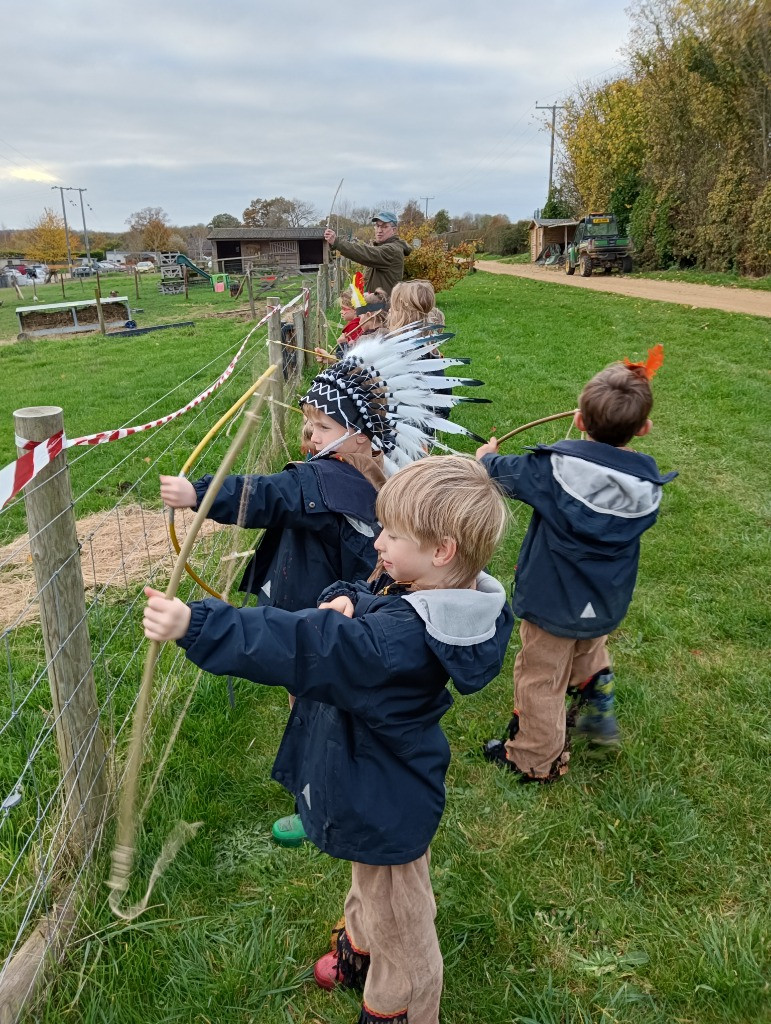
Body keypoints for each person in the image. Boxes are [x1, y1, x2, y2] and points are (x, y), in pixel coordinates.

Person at [143, 455, 514, 1024]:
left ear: (441, 549)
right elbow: (371, 594)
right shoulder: (430, 588)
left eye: (392, 533)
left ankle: (400, 1006)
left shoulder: (396, 640)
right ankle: (360, 952)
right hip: (372, 782)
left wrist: (198, 625)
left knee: (404, 921)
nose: (379, 542)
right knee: (369, 882)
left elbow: (305, 645)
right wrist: (348, 596)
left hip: (387, 798)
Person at [159, 326, 489, 846]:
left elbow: (265, 494)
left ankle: (317, 805)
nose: (310, 436)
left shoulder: (320, 479)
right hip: (353, 609)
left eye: (323, 424)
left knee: (316, 704)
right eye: (309, 423)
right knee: (332, 707)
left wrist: (197, 493)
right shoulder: (377, 479)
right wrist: (357, 598)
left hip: (323, 623)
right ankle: (322, 798)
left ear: (360, 434)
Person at [477, 350, 677, 782]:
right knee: (587, 645)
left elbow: (503, 474)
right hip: (603, 601)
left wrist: (486, 456)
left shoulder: (551, 470)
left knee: (540, 679)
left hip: (552, 603)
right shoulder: (646, 487)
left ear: (581, 421)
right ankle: (594, 689)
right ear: (644, 429)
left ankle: (533, 759)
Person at [324, 212, 411, 297]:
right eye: (377, 226)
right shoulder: (381, 248)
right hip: (375, 305)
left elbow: (364, 253)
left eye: (385, 226)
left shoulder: (392, 250)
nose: (379, 230)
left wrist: (337, 243)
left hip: (384, 308)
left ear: (394, 230)